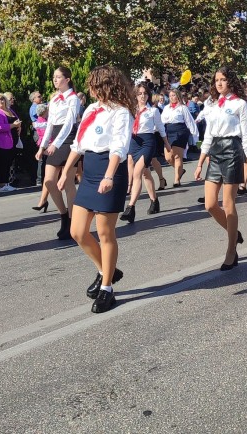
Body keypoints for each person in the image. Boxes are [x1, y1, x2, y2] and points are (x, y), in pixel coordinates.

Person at [58, 66, 134, 314]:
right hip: (90, 171)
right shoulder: (91, 109)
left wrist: (110, 175)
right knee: (77, 231)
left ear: (104, 86)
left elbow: (119, 147)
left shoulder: (121, 113)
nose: (89, 88)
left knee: (105, 233)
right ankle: (106, 269)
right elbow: (78, 144)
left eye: (93, 84)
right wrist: (66, 171)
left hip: (109, 170)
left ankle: (107, 288)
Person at [194, 67, 247, 271]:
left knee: (228, 204)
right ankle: (234, 232)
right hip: (215, 151)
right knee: (210, 205)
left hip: (232, 150)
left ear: (230, 81)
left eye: (223, 79)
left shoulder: (239, 103)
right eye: (217, 80)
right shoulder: (210, 104)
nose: (219, 83)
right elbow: (208, 134)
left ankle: (231, 251)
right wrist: (200, 161)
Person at [35, 67, 80, 239]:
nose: (55, 80)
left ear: (67, 79)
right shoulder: (53, 100)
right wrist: (42, 146)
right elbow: (50, 125)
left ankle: (71, 221)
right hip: (55, 140)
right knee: (49, 182)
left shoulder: (73, 99)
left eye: (58, 77)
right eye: (53, 77)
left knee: (68, 184)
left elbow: (69, 124)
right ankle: (63, 214)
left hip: (68, 140)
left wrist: (57, 144)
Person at [121, 83, 167, 222]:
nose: (142, 96)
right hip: (134, 141)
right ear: (136, 95)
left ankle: (130, 207)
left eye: (145, 93)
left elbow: (160, 128)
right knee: (146, 173)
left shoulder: (153, 111)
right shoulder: (130, 110)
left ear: (148, 95)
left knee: (138, 172)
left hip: (148, 142)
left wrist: (166, 143)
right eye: (140, 93)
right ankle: (154, 201)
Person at [160, 89, 198, 188]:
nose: (172, 97)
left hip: (180, 131)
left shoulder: (182, 108)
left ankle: (177, 179)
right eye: (170, 95)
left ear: (178, 96)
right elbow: (161, 120)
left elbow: (190, 121)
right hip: (168, 131)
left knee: (177, 156)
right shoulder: (166, 108)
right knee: (168, 157)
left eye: (174, 95)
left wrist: (195, 136)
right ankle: (180, 170)